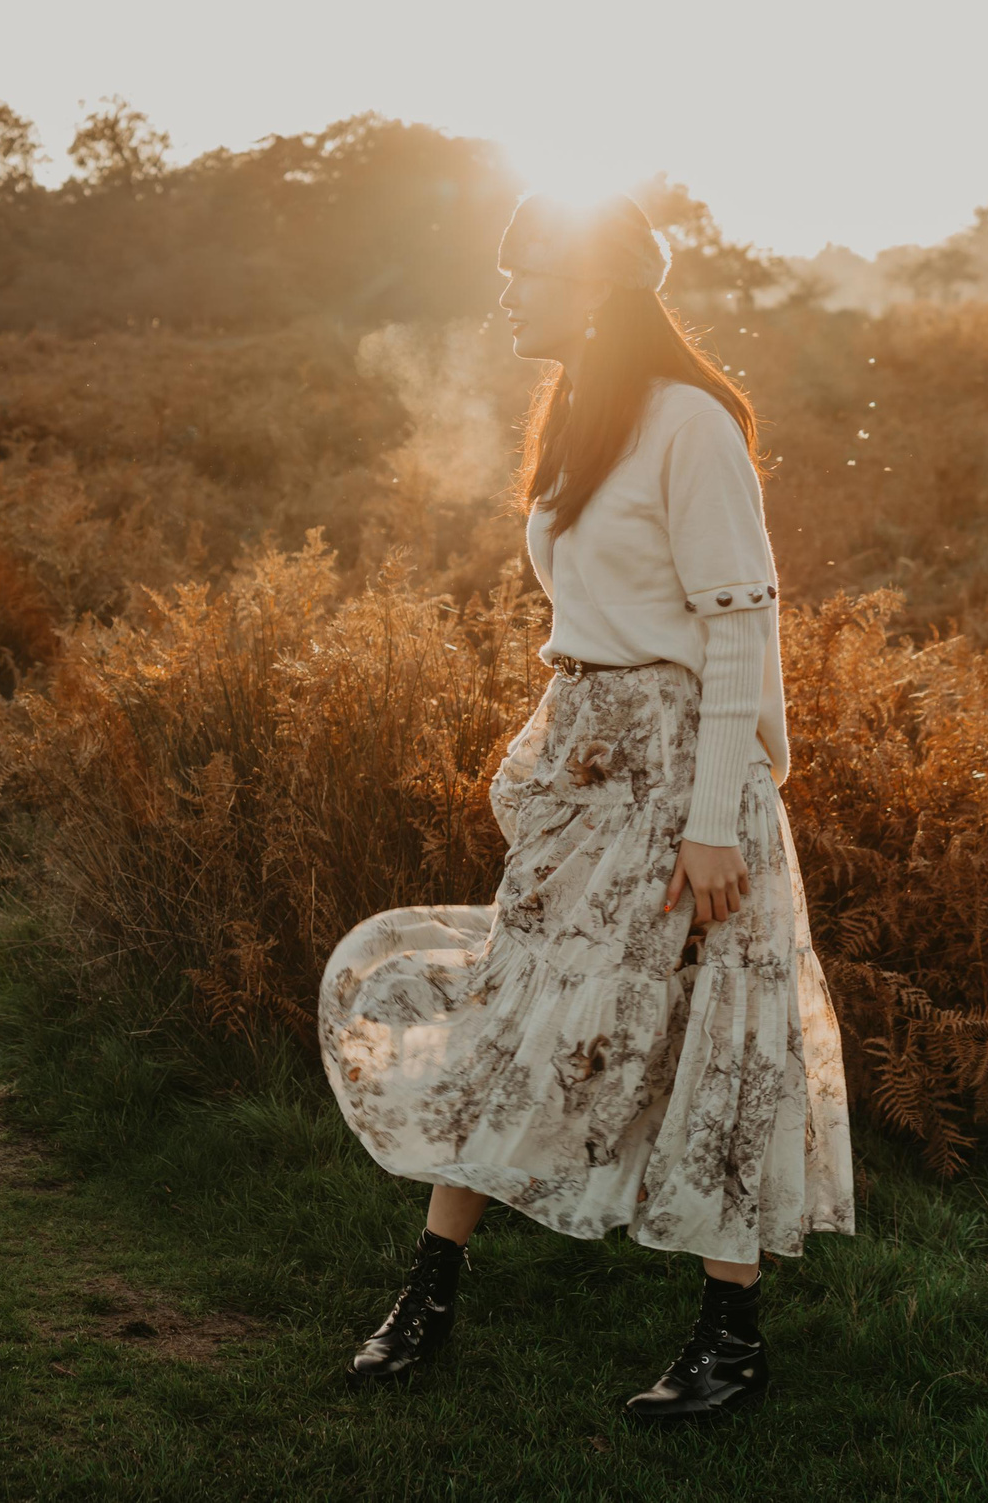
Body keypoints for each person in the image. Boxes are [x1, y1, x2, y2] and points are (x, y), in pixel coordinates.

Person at [319, 194, 853, 1424]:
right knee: (520, 1006)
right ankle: (429, 1294)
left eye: (529, 272)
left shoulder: (690, 424)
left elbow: (736, 626)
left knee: (721, 1028)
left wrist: (715, 818)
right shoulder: (582, 418)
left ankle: (731, 1336)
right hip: (592, 766)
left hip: (685, 783)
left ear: (601, 286)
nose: (507, 292)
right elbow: (594, 627)